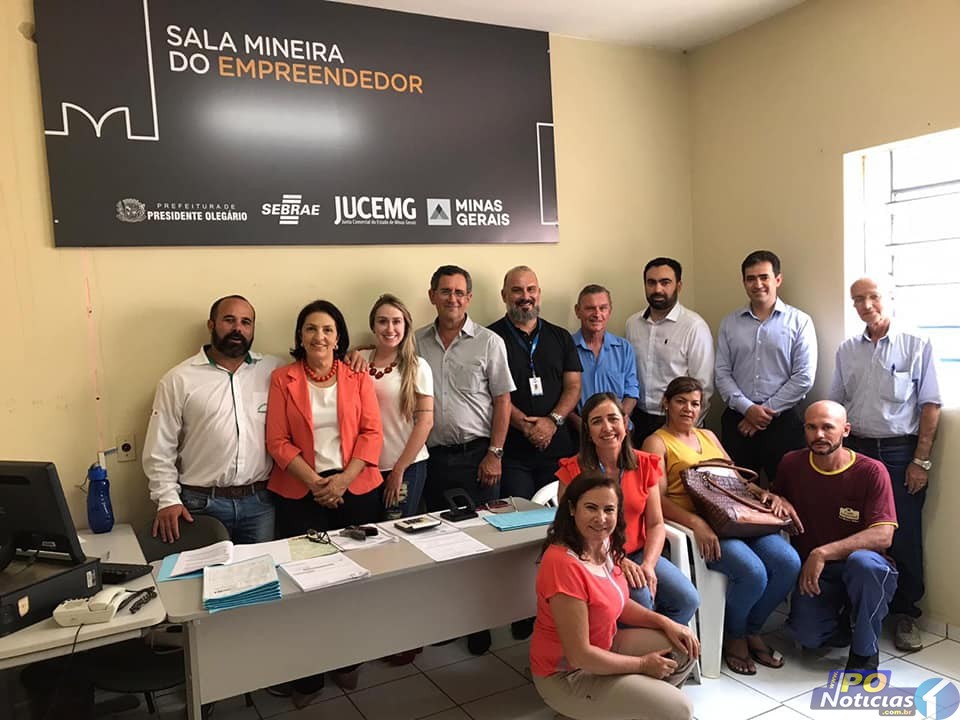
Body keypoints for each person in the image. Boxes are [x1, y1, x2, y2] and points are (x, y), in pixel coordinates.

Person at [642, 376, 801, 676]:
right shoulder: (656, 442)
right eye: (680, 401)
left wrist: (764, 494)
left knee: (788, 563)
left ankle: (751, 628)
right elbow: (658, 500)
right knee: (753, 572)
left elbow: (736, 480)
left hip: (736, 517)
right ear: (666, 403)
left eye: (695, 403)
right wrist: (697, 523)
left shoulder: (708, 436)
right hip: (702, 527)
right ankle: (735, 635)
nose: (688, 409)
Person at [265, 299, 383, 701]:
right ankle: (308, 674)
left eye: (328, 329)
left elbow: (372, 433)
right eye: (311, 328)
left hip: (355, 492)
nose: (319, 336)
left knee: (353, 582)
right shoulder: (283, 379)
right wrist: (319, 484)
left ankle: (347, 661)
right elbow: (277, 441)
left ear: (338, 338)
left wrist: (342, 482)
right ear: (300, 335)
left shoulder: (358, 377)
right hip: (301, 493)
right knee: (307, 585)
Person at [829, 277, 940, 651]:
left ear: (889, 297)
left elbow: (930, 405)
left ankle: (906, 614)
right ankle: (854, 608)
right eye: (857, 299)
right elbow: (836, 405)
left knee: (902, 534)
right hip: (856, 451)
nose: (866, 305)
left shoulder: (916, 343)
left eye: (873, 297)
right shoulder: (847, 350)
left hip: (898, 453)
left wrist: (920, 461)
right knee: (852, 526)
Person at [531, 473, 699, 720]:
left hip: (604, 646)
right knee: (678, 709)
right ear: (572, 509)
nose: (601, 518)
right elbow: (579, 655)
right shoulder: (562, 564)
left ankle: (619, 706)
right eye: (591, 508)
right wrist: (643, 665)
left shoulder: (603, 543)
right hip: (568, 673)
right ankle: (580, 709)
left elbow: (617, 603)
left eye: (609, 510)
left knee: (685, 647)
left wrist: (667, 623)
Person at [414, 265, 515, 655]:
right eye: (445, 291)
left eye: (459, 292)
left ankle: (480, 625)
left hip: (479, 458)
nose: (452, 298)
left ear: (469, 298)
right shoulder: (415, 343)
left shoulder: (489, 342)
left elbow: (503, 401)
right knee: (441, 544)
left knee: (482, 545)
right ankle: (451, 619)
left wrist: (495, 453)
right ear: (432, 296)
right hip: (433, 459)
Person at [144, 295, 282, 544]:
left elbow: (319, 368)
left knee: (263, 569)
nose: (238, 328)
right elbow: (160, 448)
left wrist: (355, 354)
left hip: (260, 505)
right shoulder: (179, 379)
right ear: (211, 325)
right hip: (201, 505)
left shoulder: (274, 371)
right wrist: (167, 499)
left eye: (246, 322)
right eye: (229, 320)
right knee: (205, 571)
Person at [775, 401, 898, 671]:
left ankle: (865, 651)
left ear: (846, 430)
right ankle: (843, 620)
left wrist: (823, 552)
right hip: (819, 574)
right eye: (811, 427)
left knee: (864, 565)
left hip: (862, 567)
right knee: (808, 637)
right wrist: (775, 497)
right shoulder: (791, 463)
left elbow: (883, 535)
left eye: (828, 427)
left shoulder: (871, 471)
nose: (819, 435)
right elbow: (775, 498)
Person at [556, 393, 699, 625]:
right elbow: (569, 530)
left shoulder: (644, 463)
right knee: (642, 599)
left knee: (687, 599)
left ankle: (660, 643)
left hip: (639, 552)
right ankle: (630, 645)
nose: (607, 428)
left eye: (613, 419)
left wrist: (649, 565)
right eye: (597, 421)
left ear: (625, 422)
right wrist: (618, 560)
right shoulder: (573, 470)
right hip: (594, 556)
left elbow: (655, 524)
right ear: (588, 432)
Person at [715, 250, 817, 483]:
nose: (757, 284)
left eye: (764, 277)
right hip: (738, 420)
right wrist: (747, 409)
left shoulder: (800, 322)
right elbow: (722, 373)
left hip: (783, 422)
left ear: (777, 280)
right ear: (744, 282)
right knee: (738, 491)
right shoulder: (730, 323)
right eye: (751, 278)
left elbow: (803, 377)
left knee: (786, 491)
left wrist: (763, 412)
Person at [489, 266, 582, 500]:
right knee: (519, 517)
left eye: (531, 289)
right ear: (504, 295)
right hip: (513, 452)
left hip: (558, 449)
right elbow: (490, 393)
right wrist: (526, 426)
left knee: (561, 515)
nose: (525, 296)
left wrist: (552, 421)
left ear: (539, 293)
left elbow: (573, 386)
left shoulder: (561, 337)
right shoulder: (489, 339)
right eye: (517, 290)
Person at [625, 258, 714, 444]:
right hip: (638, 419)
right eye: (651, 283)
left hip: (677, 421)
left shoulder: (694, 326)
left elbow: (703, 386)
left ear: (679, 286)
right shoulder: (632, 324)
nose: (657, 289)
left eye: (665, 282)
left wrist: (689, 429)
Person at [366, 294, 434, 519]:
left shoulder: (418, 367)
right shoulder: (358, 361)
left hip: (407, 465)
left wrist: (399, 469)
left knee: (397, 526)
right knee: (369, 529)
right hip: (366, 468)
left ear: (406, 326)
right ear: (373, 326)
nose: (390, 328)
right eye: (382, 321)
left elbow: (425, 422)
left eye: (397, 321)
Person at [569, 284, 640, 435]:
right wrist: (583, 427)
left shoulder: (624, 348)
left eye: (603, 308)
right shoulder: (566, 348)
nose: (597, 314)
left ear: (610, 311)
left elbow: (631, 392)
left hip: (619, 433)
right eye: (590, 308)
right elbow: (560, 396)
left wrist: (618, 420)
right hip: (580, 433)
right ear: (577, 311)